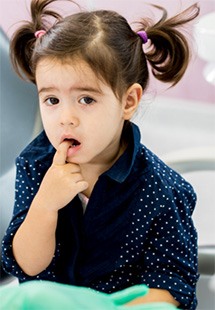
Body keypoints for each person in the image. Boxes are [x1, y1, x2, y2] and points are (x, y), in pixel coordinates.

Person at [2, 0, 200, 309]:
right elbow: (27, 267)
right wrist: (45, 205)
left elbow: (170, 289)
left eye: (86, 99)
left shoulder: (163, 191)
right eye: (52, 100)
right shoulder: (35, 165)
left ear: (128, 101)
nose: (66, 117)